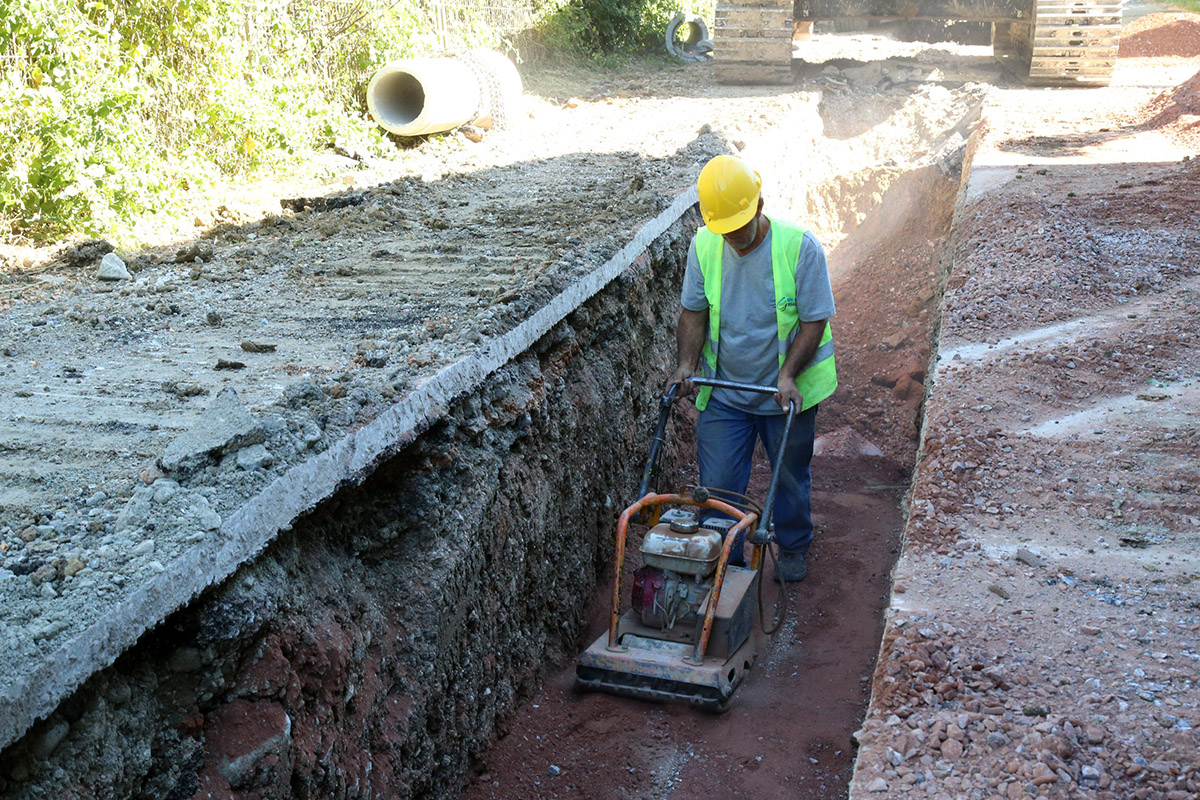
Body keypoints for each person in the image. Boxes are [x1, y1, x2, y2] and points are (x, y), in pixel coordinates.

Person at [669, 154, 837, 582]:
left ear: (759, 205)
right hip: (725, 393)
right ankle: (728, 564)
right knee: (719, 487)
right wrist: (686, 365)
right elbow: (693, 311)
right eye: (723, 231)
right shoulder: (704, 245)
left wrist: (788, 376)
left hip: (783, 393)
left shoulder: (800, 247)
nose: (732, 239)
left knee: (789, 476)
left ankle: (794, 543)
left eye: (738, 228)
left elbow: (815, 318)